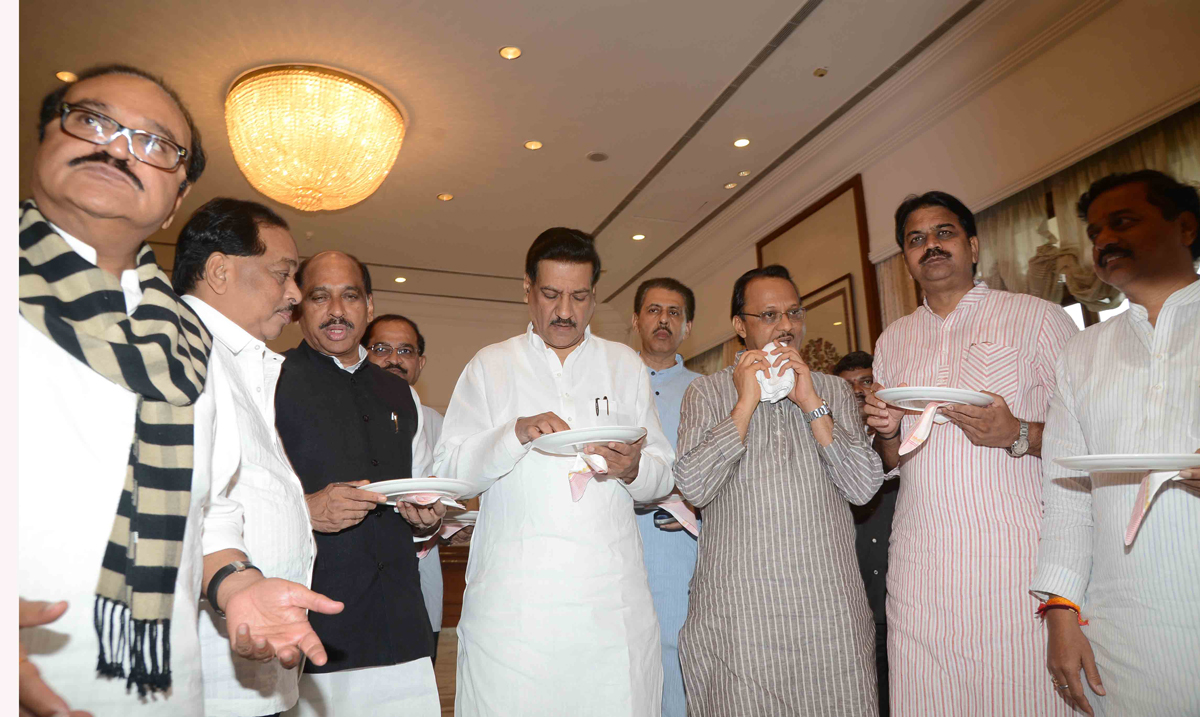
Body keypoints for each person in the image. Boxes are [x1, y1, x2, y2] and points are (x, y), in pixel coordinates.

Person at [19, 65, 339, 717]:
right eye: (92, 120)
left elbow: (211, 505)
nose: (117, 148)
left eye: (156, 144)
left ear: (174, 199)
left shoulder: (184, 344)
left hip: (168, 688)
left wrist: (234, 583)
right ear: (44, 136)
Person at [434, 227, 675, 716]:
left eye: (579, 296)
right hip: (516, 608)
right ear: (527, 290)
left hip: (610, 604)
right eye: (551, 294)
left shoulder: (623, 364)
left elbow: (662, 476)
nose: (565, 311)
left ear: (594, 298)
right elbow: (451, 472)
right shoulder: (491, 365)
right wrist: (514, 433)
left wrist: (631, 470)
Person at [863, 191, 1078, 716]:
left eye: (944, 233)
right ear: (906, 261)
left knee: (1023, 698)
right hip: (919, 568)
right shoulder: (894, 340)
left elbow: (1090, 435)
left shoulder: (1038, 319)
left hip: (1012, 564)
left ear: (974, 245)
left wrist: (1018, 433)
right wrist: (887, 431)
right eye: (916, 239)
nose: (930, 246)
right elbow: (893, 461)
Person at [675, 264, 884, 716]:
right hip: (740, 618)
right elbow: (693, 485)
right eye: (768, 315)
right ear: (739, 325)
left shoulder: (831, 390)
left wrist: (812, 403)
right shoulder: (707, 393)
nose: (786, 326)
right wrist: (744, 403)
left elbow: (864, 487)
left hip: (830, 616)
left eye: (794, 313)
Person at [1030, 170, 1200, 716]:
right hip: (1124, 626)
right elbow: (1067, 495)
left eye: (1122, 222)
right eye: (1096, 230)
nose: (1104, 240)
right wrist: (1060, 610)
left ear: (1186, 227)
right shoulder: (1082, 354)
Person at [172, 197, 325, 717]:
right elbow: (191, 502)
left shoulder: (241, 363)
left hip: (249, 668)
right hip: (213, 679)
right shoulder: (183, 349)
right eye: (283, 273)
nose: (295, 293)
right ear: (219, 270)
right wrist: (235, 582)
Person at [274, 252, 443, 716]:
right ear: (297, 307)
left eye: (349, 296)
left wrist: (427, 519)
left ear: (368, 306)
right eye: (319, 297)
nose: (336, 310)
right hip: (313, 626)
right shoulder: (269, 380)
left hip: (401, 622)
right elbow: (232, 495)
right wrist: (304, 509)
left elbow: (421, 496)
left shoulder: (403, 395)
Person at [629, 277, 702, 717]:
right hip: (617, 548)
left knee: (677, 666)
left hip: (682, 552)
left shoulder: (711, 391)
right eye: (654, 310)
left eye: (674, 312)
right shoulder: (610, 384)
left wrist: (698, 508)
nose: (663, 320)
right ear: (636, 319)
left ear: (688, 326)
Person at [362, 313, 446, 658]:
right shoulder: (341, 414)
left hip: (420, 575)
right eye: (381, 348)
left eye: (405, 351)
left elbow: (447, 494)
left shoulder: (438, 423)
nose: (393, 359)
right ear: (361, 353)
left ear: (420, 363)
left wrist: (453, 524)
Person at [833, 350, 897, 717]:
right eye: (847, 386)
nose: (858, 391)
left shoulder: (904, 442)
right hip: (850, 610)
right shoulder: (825, 449)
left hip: (901, 605)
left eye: (866, 381)